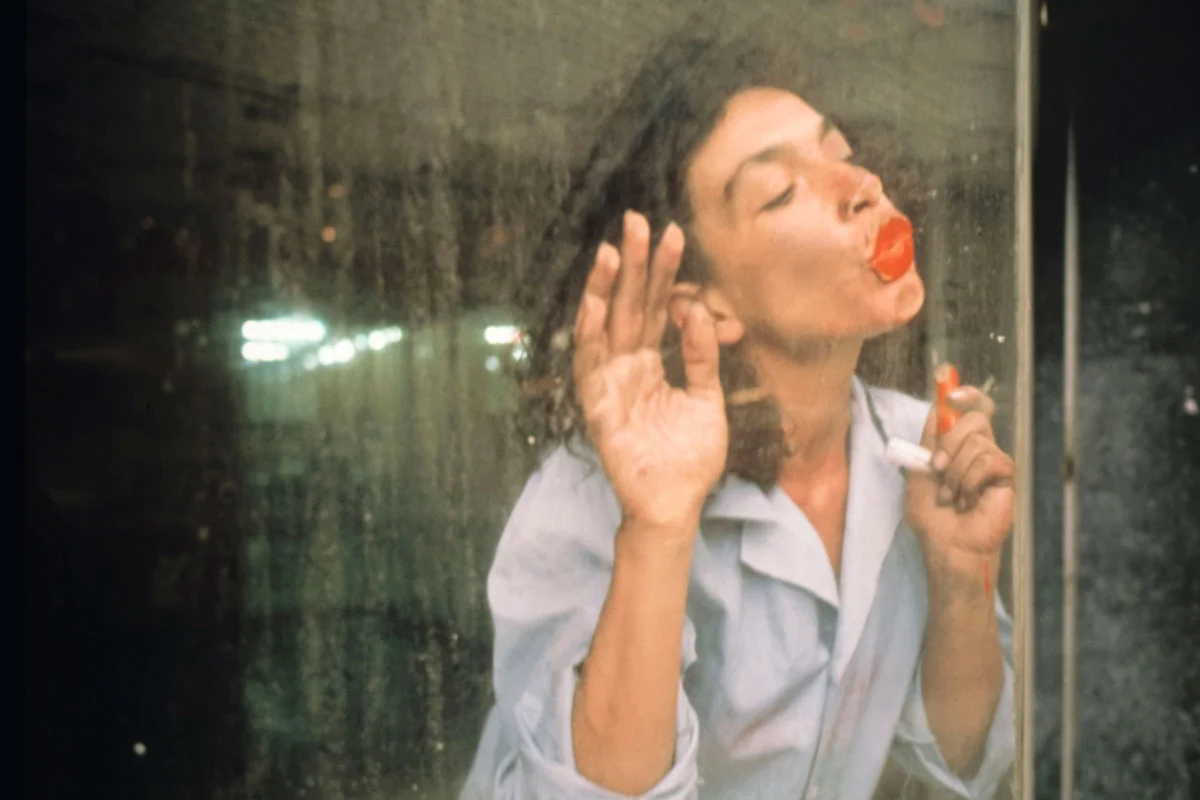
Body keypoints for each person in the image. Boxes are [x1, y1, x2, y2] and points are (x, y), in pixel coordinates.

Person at [461, 24, 1015, 800]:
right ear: (704, 303)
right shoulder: (595, 497)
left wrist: (960, 576)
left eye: (840, 148)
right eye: (781, 191)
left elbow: (958, 758)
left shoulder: (917, 451)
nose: (861, 185)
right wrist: (657, 528)